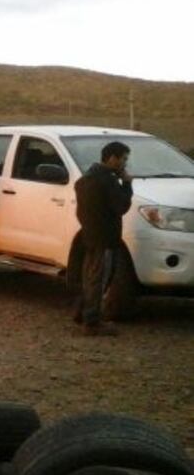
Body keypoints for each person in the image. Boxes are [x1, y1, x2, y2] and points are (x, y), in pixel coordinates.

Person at [73, 141, 133, 336]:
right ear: (112, 158)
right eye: (123, 159)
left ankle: (83, 313)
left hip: (89, 235)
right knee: (99, 279)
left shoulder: (87, 179)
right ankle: (92, 321)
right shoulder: (107, 180)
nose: (124, 163)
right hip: (104, 238)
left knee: (90, 276)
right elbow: (121, 206)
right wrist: (127, 184)